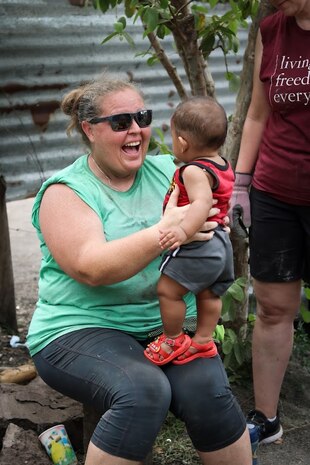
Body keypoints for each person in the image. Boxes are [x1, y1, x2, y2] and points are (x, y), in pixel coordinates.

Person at [26, 73, 252, 465]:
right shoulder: (65, 192)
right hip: (81, 327)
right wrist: (167, 231)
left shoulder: (173, 171)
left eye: (142, 118)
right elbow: (92, 268)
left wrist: (213, 226)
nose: (135, 130)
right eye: (120, 122)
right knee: (143, 390)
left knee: (208, 393)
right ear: (89, 130)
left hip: (164, 325)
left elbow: (214, 205)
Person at [230, 0, 310, 445]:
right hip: (276, 190)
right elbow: (260, 113)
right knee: (274, 307)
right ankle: (267, 419)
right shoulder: (272, 29)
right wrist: (241, 184)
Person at [144, 96, 235, 366]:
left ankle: (172, 338)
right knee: (208, 292)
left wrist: (182, 232)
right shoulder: (222, 164)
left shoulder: (193, 171)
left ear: (182, 142)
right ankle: (204, 341)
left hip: (197, 244)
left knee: (167, 290)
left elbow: (202, 203)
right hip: (219, 242)